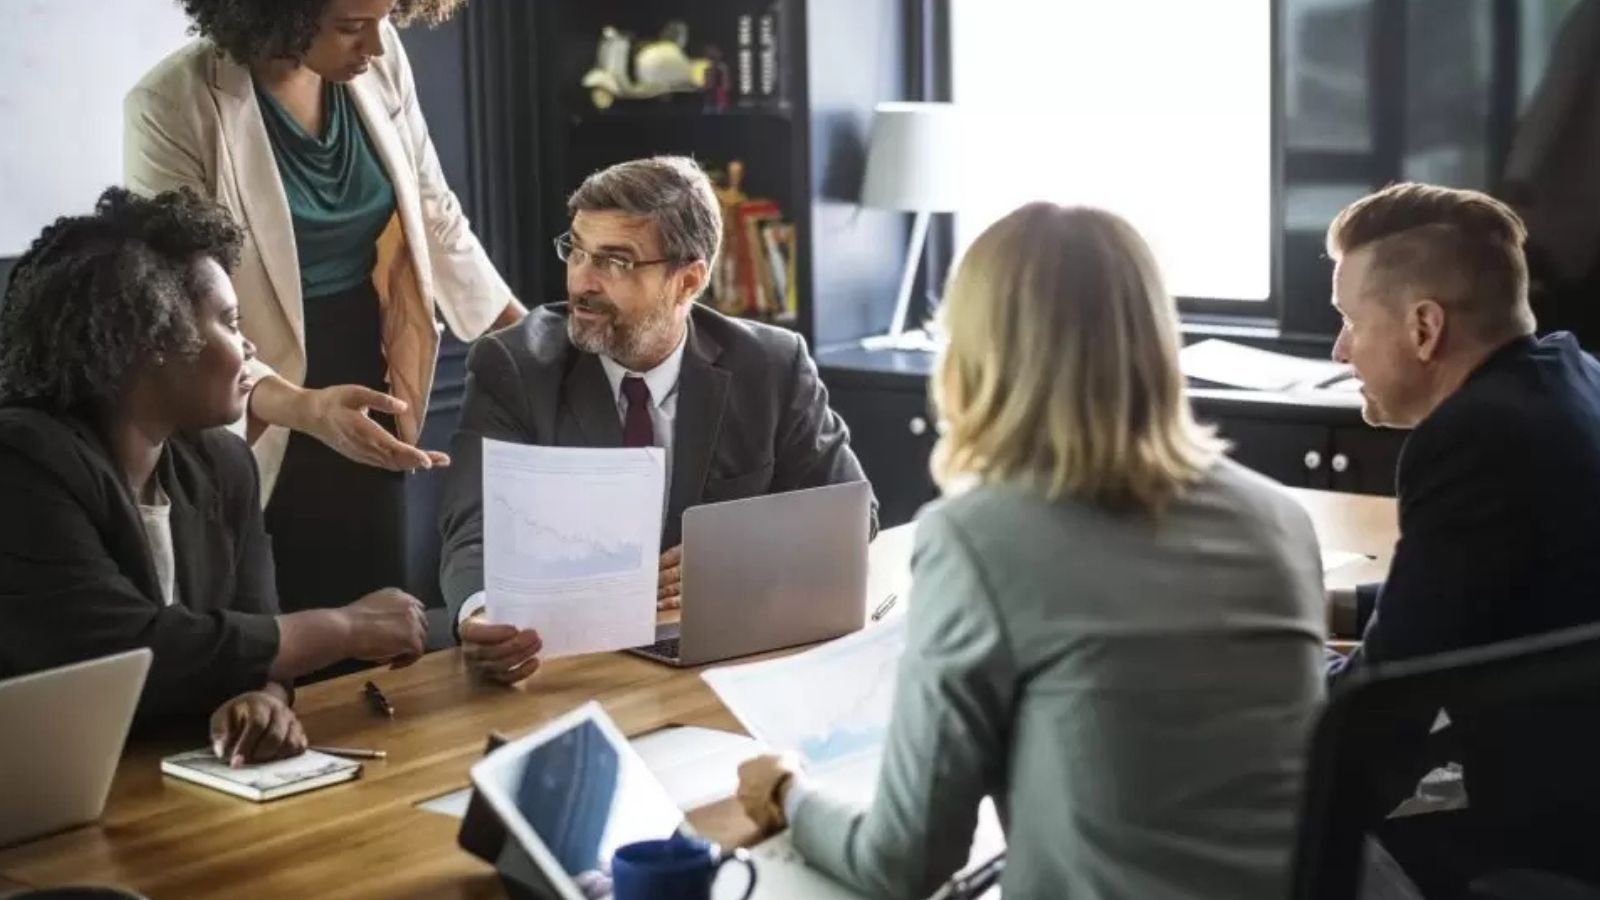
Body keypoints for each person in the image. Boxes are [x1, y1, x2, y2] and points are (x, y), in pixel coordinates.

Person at [734, 203, 1327, 899]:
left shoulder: (978, 537)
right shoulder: (1281, 518)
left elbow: (902, 863)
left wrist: (788, 793)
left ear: (972, 353)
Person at [124, 0, 526, 616]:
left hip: (366, 368)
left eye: (384, 17)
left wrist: (532, 341)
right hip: (244, 389)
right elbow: (178, 304)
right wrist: (302, 407)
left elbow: (435, 215)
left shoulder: (378, 61)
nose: (377, 44)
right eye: (349, 27)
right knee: (282, 621)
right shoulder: (170, 105)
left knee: (378, 607)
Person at [0, 188, 429, 764]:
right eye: (230, 321)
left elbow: (255, 638)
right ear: (152, 340)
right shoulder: (25, 460)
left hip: (179, 785)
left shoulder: (223, 465)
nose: (249, 347)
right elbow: (124, 652)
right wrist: (343, 629)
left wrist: (262, 699)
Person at [437, 156, 875, 684]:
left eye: (616, 261)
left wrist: (729, 559)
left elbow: (851, 516)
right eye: (576, 250)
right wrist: (481, 614)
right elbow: (473, 525)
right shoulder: (514, 365)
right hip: (568, 667)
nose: (582, 281)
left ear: (688, 280)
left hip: (720, 663)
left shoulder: (771, 366)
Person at [1324, 182, 1600, 891]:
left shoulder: (1472, 438)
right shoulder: (1572, 378)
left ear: (1424, 328)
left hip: (1516, 816)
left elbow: (1384, 699)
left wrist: (1265, 681)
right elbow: (1479, 590)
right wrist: (1330, 605)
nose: (1341, 351)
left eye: (1352, 321)